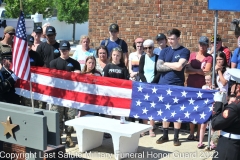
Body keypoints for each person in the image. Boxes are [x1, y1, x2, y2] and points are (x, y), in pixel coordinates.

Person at [156, 28, 190, 146]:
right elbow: (158, 67)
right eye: (169, 38)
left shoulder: (184, 51)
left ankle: (176, 137)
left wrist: (165, 63)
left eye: (172, 39)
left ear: (178, 39)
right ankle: (165, 135)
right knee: (165, 110)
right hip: (163, 84)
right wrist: (173, 65)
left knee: (176, 110)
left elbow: (180, 67)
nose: (170, 41)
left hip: (177, 85)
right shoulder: (164, 51)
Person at [49, 40, 81, 147]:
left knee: (70, 116)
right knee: (57, 115)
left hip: (71, 94)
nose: (64, 51)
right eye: (62, 50)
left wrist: (65, 76)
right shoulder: (53, 63)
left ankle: (68, 136)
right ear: (59, 50)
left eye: (66, 49)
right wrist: (69, 75)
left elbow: (77, 76)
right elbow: (53, 77)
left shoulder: (75, 63)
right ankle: (58, 136)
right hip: (57, 95)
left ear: (69, 50)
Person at [185, 36, 213, 141]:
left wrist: (193, 69)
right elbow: (186, 70)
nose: (202, 46)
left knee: (200, 109)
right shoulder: (192, 55)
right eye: (201, 44)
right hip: (191, 85)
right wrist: (198, 71)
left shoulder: (209, 57)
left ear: (207, 46)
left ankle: (198, 133)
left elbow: (206, 71)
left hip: (202, 87)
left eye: (205, 44)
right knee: (191, 109)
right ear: (198, 44)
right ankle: (191, 132)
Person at [211, 68, 240, 160]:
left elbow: (216, 124)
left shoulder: (235, 107)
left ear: (238, 87)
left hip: (230, 146)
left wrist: (218, 104)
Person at [138, 39, 161, 137]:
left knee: (152, 107)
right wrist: (145, 83)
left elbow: (159, 72)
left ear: (153, 48)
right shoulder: (143, 58)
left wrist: (152, 83)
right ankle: (144, 128)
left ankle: (151, 129)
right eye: (145, 48)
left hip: (154, 86)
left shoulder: (157, 58)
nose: (148, 50)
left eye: (150, 48)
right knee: (144, 107)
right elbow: (141, 72)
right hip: (143, 85)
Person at [21, 36, 44, 108]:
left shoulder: (35, 55)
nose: (29, 46)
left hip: (34, 82)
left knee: (34, 103)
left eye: (30, 45)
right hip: (23, 83)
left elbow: (42, 67)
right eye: (27, 45)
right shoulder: (20, 54)